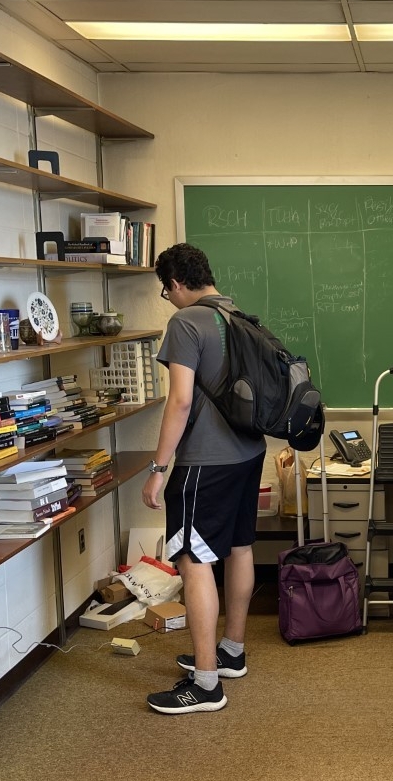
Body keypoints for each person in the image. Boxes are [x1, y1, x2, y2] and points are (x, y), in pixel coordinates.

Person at [142, 243, 266, 714]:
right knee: (238, 546)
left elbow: (179, 401)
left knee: (194, 560)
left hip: (205, 463)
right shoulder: (240, 317)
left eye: (165, 290)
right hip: (249, 453)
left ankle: (207, 682)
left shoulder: (185, 322)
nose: (168, 298)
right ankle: (231, 651)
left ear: (175, 284)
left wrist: (157, 470)